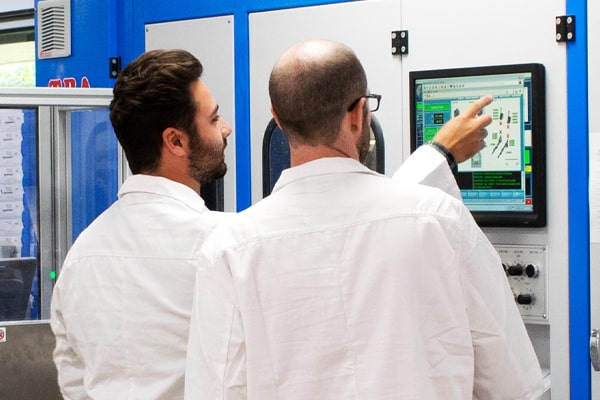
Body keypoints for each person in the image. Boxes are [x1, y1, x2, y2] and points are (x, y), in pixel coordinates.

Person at [184, 39, 544, 399]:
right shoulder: (441, 220)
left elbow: (216, 390)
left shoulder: (228, 249)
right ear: (359, 114)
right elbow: (511, 382)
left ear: (277, 119)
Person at [50, 49, 233, 399]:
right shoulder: (225, 243)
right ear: (175, 141)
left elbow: (74, 379)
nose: (226, 128)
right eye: (213, 119)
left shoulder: (81, 255)